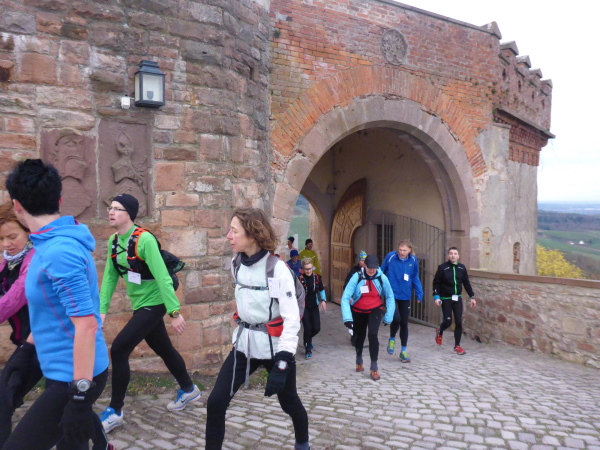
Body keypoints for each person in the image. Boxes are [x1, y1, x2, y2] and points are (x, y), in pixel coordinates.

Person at [3, 159, 110, 449]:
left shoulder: (59, 251)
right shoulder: (46, 243)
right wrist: (26, 352)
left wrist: (80, 396)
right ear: (59, 200)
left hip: (75, 375)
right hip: (58, 366)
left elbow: (86, 325)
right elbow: (52, 311)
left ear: (16, 205)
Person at [206, 208, 309, 450]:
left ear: (252, 235)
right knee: (216, 402)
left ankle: (302, 444)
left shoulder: (277, 270)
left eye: (234, 231)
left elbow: (291, 318)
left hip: (275, 349)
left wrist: (283, 360)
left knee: (289, 402)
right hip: (244, 347)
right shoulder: (237, 264)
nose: (228, 236)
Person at [99, 194, 200, 433]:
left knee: (119, 349)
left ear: (129, 214)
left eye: (117, 209)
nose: (111, 212)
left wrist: (174, 311)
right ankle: (189, 389)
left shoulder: (144, 240)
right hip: (140, 303)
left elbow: (163, 277)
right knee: (163, 348)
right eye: (110, 208)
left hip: (155, 302)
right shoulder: (113, 241)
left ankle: (115, 411)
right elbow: (110, 278)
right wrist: (102, 311)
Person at [0, 202, 41, 448]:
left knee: (4, 397)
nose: (6, 244)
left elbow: (15, 297)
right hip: (26, 343)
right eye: (1, 238)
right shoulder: (7, 262)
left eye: (12, 236)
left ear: (27, 231)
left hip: (42, 343)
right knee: (64, 402)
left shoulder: (35, 260)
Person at [341, 255, 395, 381]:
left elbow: (390, 296)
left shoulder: (381, 277)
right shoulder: (357, 276)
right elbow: (345, 297)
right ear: (364, 266)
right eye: (369, 267)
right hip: (358, 310)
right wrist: (347, 319)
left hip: (375, 309)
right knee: (359, 336)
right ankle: (359, 357)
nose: (371, 270)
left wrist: (389, 316)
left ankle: (374, 366)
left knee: (372, 335)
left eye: (374, 268)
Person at [381, 240, 424, 363]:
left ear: (409, 250)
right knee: (396, 318)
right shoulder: (391, 257)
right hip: (392, 294)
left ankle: (403, 351)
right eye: (400, 250)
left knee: (404, 323)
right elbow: (381, 272)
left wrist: (419, 293)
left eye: (404, 250)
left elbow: (415, 277)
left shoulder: (413, 260)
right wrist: (381, 289)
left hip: (405, 295)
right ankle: (392, 339)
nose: (402, 252)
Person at [433, 247, 477, 355]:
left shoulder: (462, 268)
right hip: (446, 298)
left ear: (458, 256)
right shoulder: (442, 268)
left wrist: (472, 297)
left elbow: (466, 283)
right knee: (448, 321)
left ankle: (457, 346)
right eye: (451, 253)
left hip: (457, 298)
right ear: (448, 255)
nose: (453, 255)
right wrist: (436, 297)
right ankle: (440, 329)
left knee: (458, 321)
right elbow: (436, 283)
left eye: (455, 253)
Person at [298, 258, 326, 359]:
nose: (308, 271)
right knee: (307, 328)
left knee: (316, 328)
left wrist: (323, 300)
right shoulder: (299, 279)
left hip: (314, 305)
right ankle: (308, 349)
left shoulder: (316, 277)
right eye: (306, 269)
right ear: (303, 269)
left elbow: (321, 289)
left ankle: (307, 340)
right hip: (304, 306)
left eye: (310, 268)